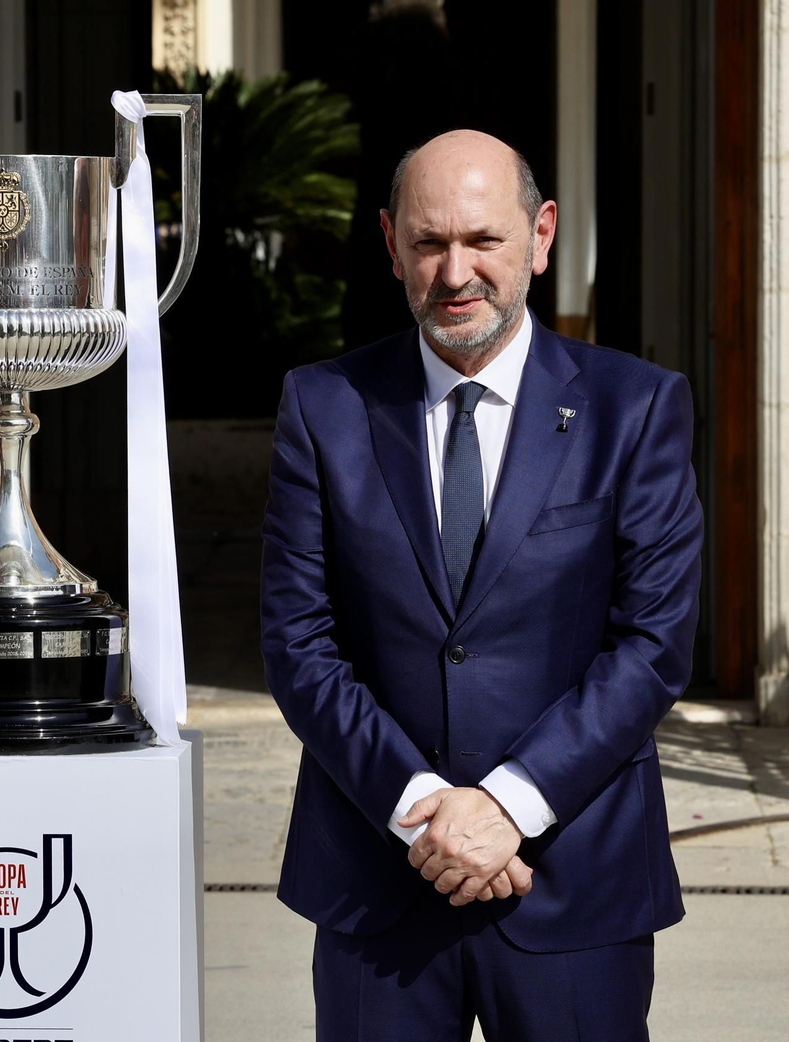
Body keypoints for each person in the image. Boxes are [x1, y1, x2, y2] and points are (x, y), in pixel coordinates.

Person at [261, 129, 701, 1041]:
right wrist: (425, 814)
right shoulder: (323, 406)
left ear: (540, 237)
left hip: (572, 882)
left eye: (482, 240)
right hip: (379, 885)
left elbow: (652, 646)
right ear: (390, 245)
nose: (455, 272)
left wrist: (507, 806)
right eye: (428, 244)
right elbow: (299, 645)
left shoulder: (637, 409)